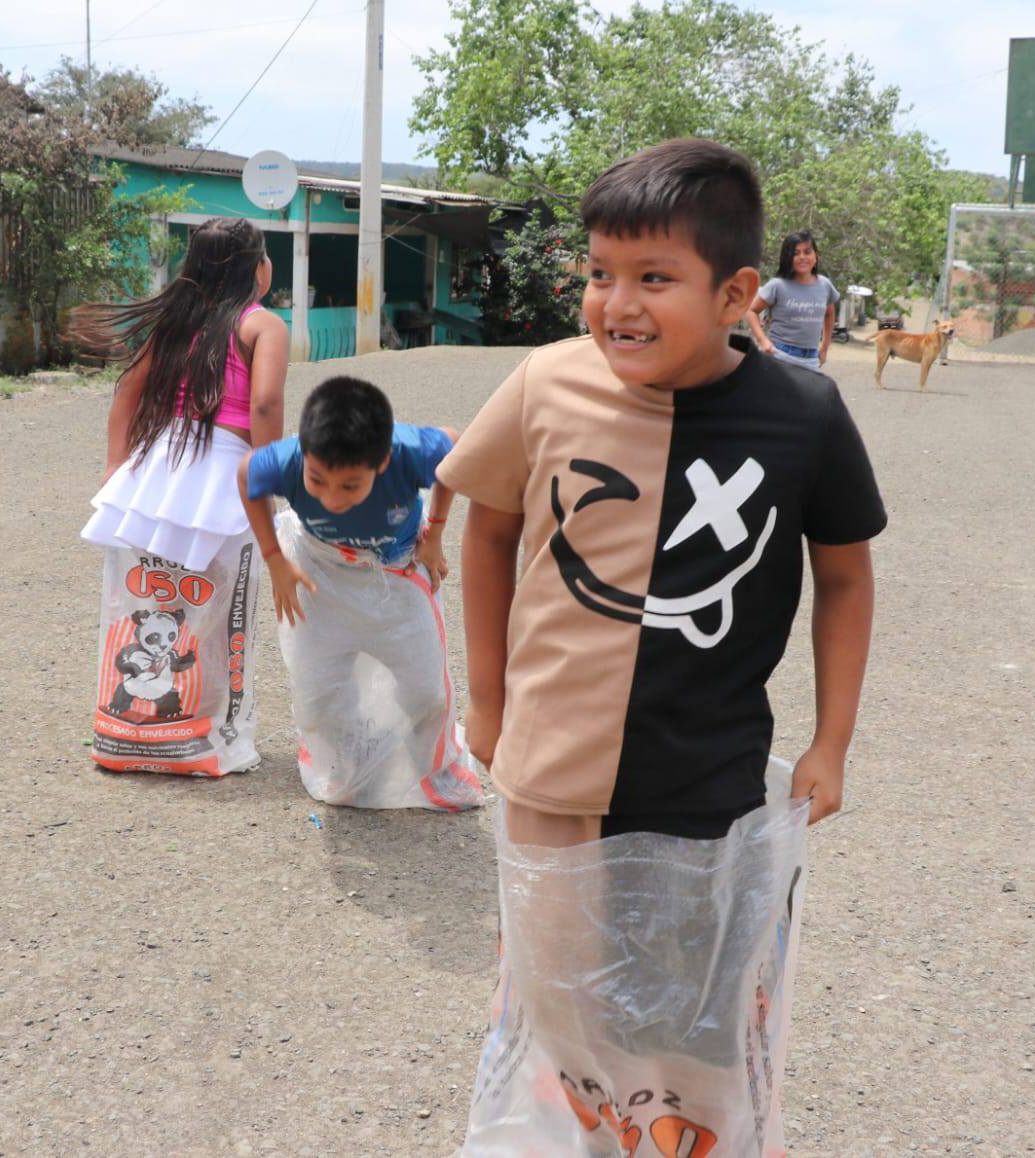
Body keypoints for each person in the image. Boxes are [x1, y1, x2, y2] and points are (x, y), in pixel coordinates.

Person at [438, 139, 883, 1147]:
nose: (616, 304)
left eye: (653, 278)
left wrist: (832, 743)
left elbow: (846, 577)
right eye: (600, 273)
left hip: (705, 783)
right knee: (558, 1006)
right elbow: (489, 531)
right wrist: (488, 702)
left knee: (689, 1022)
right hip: (553, 770)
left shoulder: (803, 413)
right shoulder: (546, 382)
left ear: (735, 294)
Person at [81, 217, 288, 777]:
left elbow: (129, 387)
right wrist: (270, 476)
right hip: (222, 478)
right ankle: (207, 740)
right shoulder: (263, 325)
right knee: (218, 615)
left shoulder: (177, 318)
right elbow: (265, 405)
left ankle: (131, 736)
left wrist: (116, 468)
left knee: (148, 601)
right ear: (257, 267)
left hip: (155, 472)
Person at [236, 376, 484, 811]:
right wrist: (274, 559)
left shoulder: (409, 452)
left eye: (350, 486)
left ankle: (437, 770)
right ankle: (342, 765)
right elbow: (246, 474)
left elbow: (455, 447)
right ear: (304, 455)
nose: (332, 498)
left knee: (426, 690)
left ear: (382, 462)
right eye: (317, 481)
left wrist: (435, 532)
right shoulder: (286, 460)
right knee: (318, 694)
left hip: (397, 572)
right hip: (319, 573)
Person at [745, 228, 841, 370]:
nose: (802, 257)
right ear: (787, 258)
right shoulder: (777, 285)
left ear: (816, 256)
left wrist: (825, 348)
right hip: (780, 356)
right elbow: (751, 311)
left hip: (811, 360)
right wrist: (763, 341)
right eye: (796, 253)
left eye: (807, 252)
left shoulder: (825, 285)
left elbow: (829, 314)